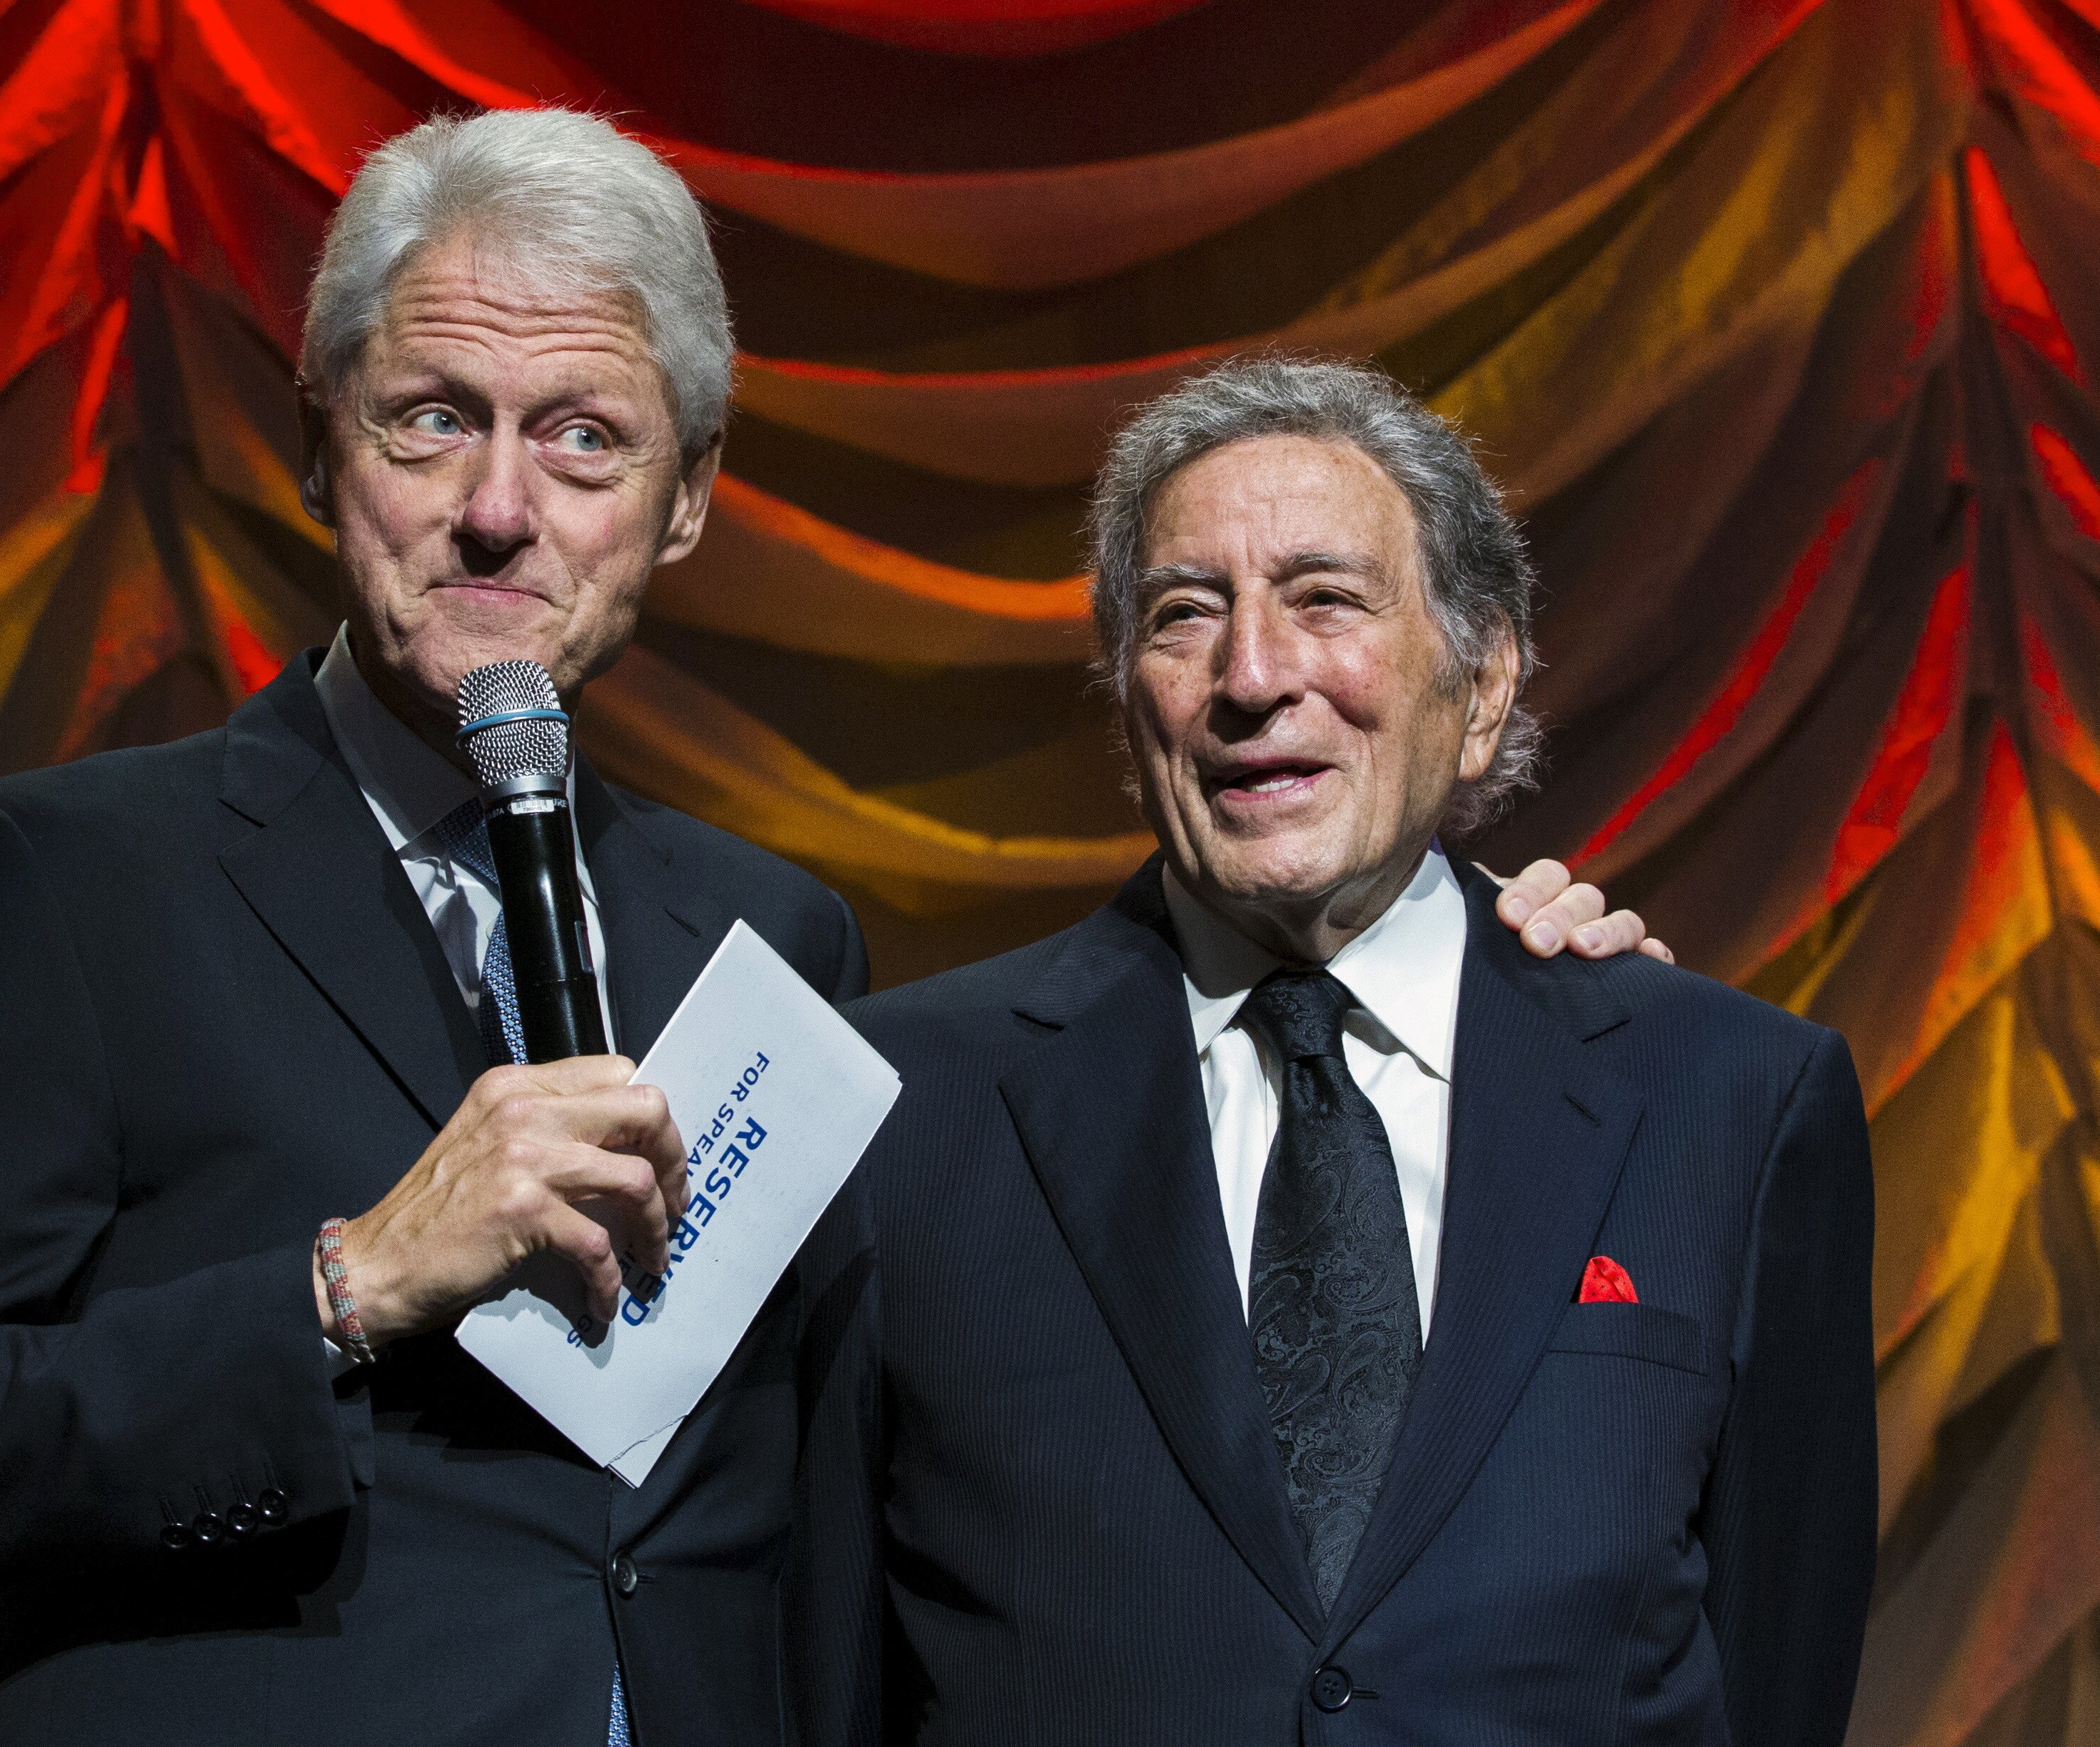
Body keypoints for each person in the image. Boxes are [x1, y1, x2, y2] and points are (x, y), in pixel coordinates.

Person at [0, 114, 1657, 1746]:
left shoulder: (769, 930)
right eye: (432, 422)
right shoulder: (67, 882)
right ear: (324, 445)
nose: (502, 510)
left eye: (585, 440)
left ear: (681, 505)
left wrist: (1452, 967)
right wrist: (342, 1285)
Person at [789, 358, 1877, 1746]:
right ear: (1132, 702)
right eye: (1187, 615)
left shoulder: (1729, 1099)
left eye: (1326, 600)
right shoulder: (900, 1106)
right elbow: (816, 1670)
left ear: (1479, 689)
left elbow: (1780, 1668)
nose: (1254, 676)